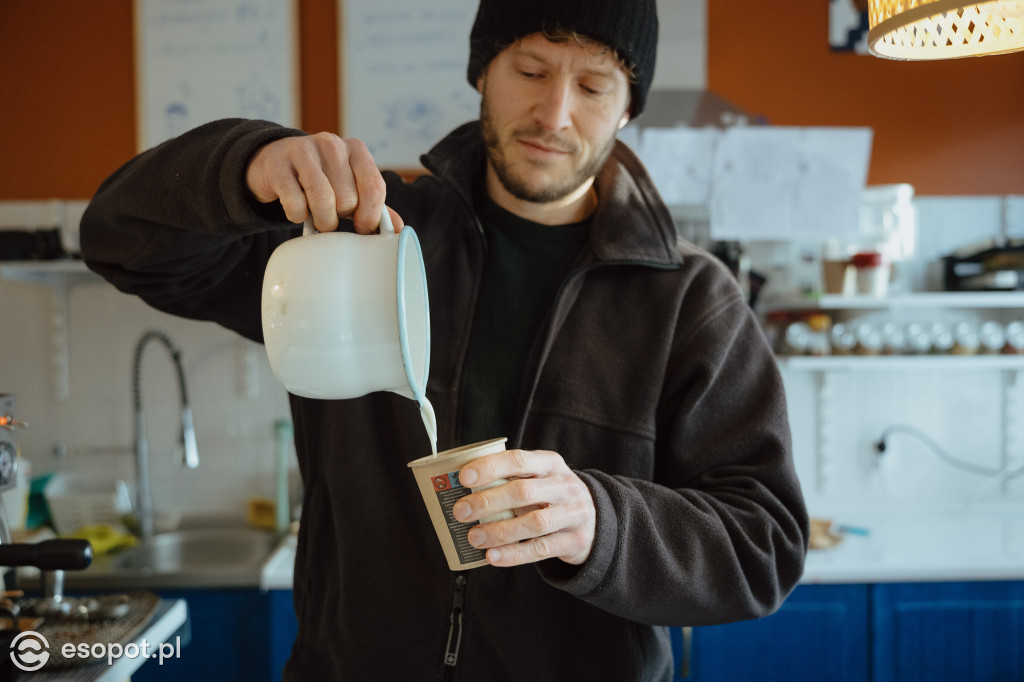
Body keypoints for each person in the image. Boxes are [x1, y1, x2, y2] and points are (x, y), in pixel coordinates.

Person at [81, 0, 809, 679]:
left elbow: (763, 546)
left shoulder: (689, 296)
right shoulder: (362, 234)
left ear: (626, 109)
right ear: (482, 74)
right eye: (529, 71)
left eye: (593, 85)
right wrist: (244, 167)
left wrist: (601, 523)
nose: (554, 112)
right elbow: (120, 242)